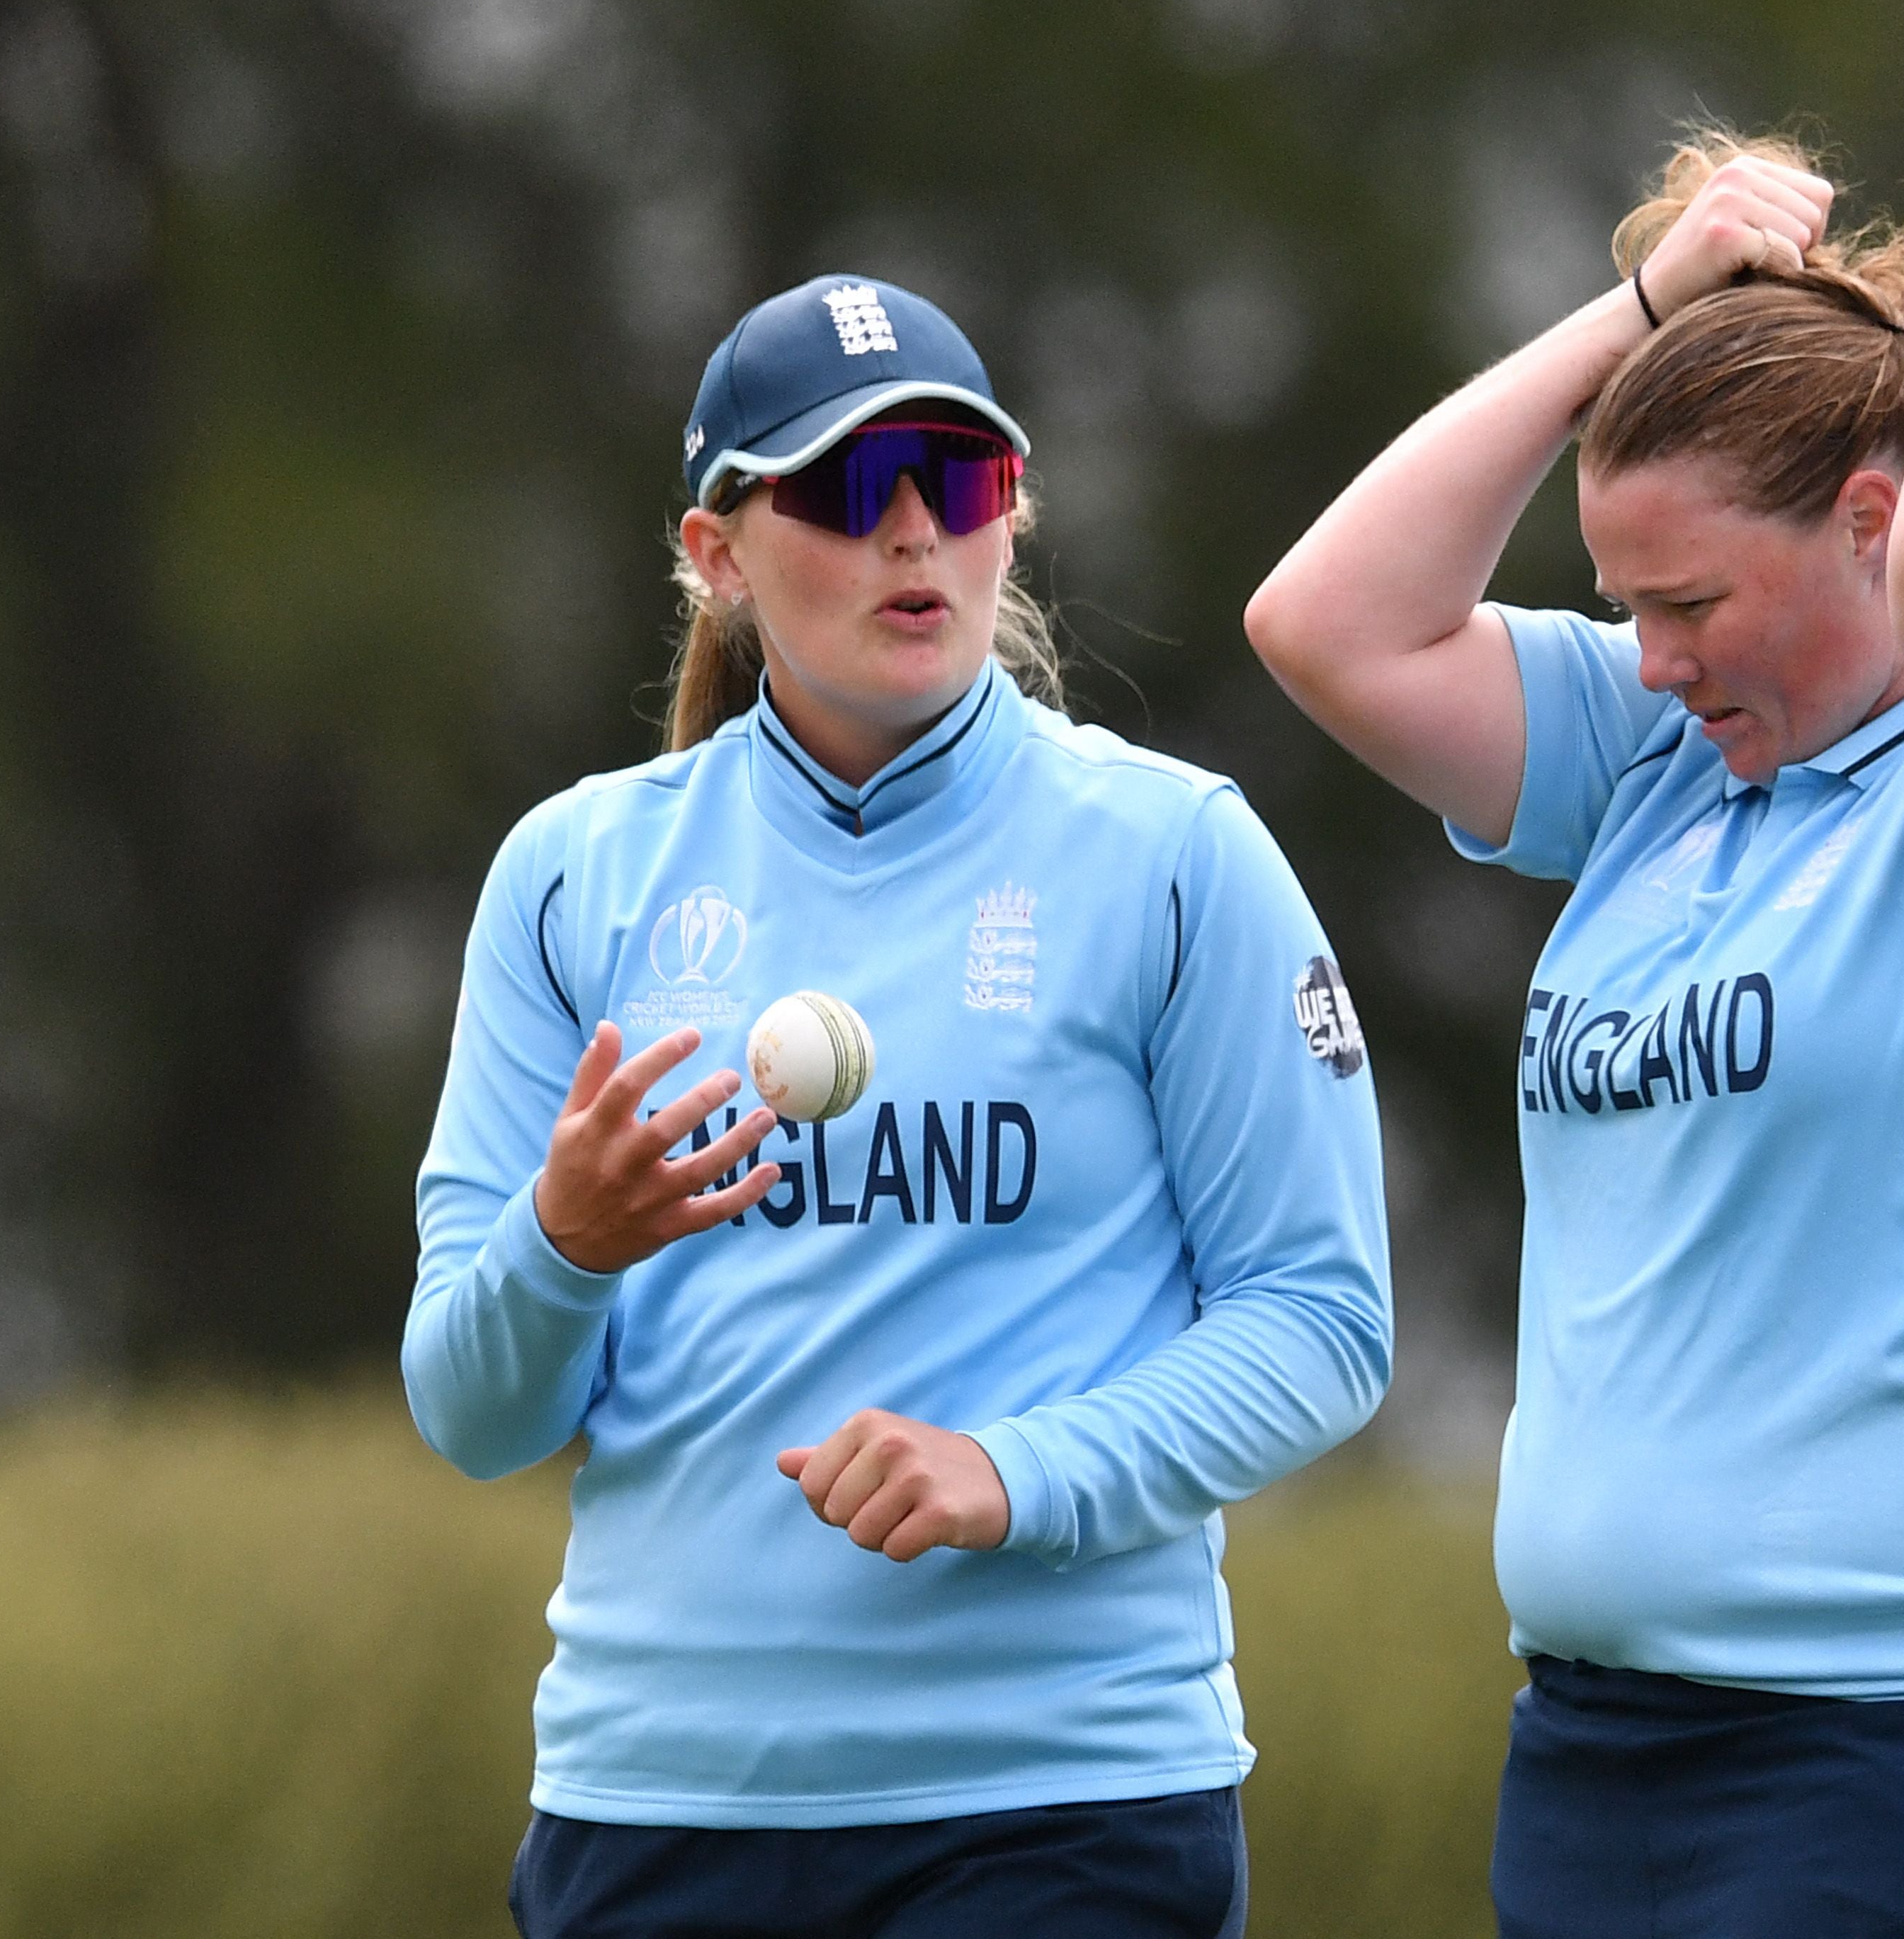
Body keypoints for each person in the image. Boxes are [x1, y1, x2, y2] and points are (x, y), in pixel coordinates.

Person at [1245, 134, 1904, 1938]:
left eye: (1689, 604)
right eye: (1625, 605)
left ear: (1867, 520)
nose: (1648, 657)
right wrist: (1634, 315)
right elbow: (1328, 623)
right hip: (1605, 1746)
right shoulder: (1667, 764)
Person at [409, 273, 1393, 1939]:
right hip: (656, 1807)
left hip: (1062, 1809)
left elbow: (1322, 1321)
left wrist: (1019, 1471)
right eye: (855, 489)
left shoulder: (1176, 852)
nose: (918, 533)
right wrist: (564, 1245)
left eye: (965, 479)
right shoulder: (575, 872)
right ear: (716, 554)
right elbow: (474, 1412)